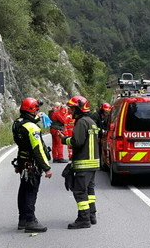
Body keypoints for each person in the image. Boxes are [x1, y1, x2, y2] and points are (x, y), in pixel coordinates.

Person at [12, 97, 52, 233]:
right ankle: (31, 221)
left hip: (23, 162)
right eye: (36, 109)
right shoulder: (32, 128)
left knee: (23, 190)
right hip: (32, 164)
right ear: (32, 109)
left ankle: (22, 219)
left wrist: (18, 163)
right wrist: (46, 168)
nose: (38, 111)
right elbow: (38, 149)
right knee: (30, 191)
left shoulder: (17, 123)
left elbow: (21, 146)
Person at [59, 96, 100, 229]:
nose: (70, 111)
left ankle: (83, 219)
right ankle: (91, 215)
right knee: (89, 190)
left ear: (78, 108)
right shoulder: (91, 121)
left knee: (79, 191)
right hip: (93, 163)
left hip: (84, 164)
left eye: (72, 108)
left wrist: (64, 139)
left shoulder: (81, 122)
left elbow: (77, 142)